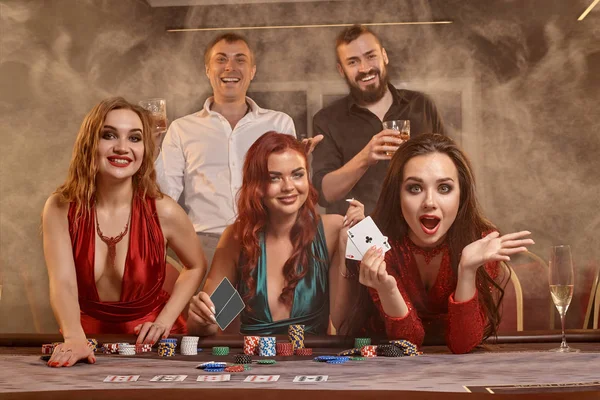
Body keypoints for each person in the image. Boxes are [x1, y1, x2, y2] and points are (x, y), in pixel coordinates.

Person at [42, 97, 206, 367]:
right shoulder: (60, 208)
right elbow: (63, 283)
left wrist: (164, 320)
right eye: (109, 135)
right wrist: (73, 337)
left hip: (153, 346)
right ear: (89, 143)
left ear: (144, 149)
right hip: (84, 340)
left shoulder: (164, 210)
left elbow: (197, 265)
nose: (122, 148)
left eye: (134, 138)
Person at [345, 133, 533, 354]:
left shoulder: (480, 242)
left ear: (461, 195)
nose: (429, 203)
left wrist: (468, 269)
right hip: (385, 368)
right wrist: (388, 288)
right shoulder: (375, 241)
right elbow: (408, 345)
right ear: (397, 195)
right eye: (415, 188)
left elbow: (464, 345)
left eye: (444, 188)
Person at [157, 33, 321, 269]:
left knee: (266, 307)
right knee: (213, 307)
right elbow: (164, 196)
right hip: (204, 248)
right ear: (207, 69)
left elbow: (289, 190)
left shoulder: (279, 123)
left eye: (240, 60)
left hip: (267, 241)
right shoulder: (181, 128)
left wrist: (299, 162)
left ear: (252, 71)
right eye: (221, 59)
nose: (230, 67)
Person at [187, 132, 363, 335]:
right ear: (257, 186)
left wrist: (346, 248)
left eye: (297, 174)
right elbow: (213, 324)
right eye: (274, 178)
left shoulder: (333, 230)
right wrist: (199, 318)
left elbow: (344, 325)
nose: (288, 187)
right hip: (253, 364)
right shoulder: (238, 237)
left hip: (314, 362)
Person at [312, 24, 445, 216]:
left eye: (370, 56)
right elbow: (325, 193)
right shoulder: (326, 120)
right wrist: (365, 158)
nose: (364, 68)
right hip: (360, 237)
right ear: (341, 70)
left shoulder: (421, 105)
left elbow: (449, 168)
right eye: (352, 62)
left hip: (420, 229)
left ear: (384, 56)